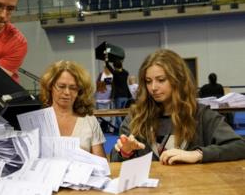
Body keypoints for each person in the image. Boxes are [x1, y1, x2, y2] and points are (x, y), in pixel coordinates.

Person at [111, 49, 245, 164]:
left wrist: (198, 154)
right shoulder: (136, 117)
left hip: (192, 190)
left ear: (178, 79)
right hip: (148, 193)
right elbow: (114, 158)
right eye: (148, 81)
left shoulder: (200, 115)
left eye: (161, 80)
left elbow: (240, 146)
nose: (153, 88)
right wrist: (125, 153)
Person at [39, 60, 106, 158]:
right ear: (50, 86)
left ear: (80, 91)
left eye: (73, 88)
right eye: (61, 86)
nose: (67, 92)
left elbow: (102, 165)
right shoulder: (38, 120)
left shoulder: (89, 120)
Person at [105, 60, 132, 129]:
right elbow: (123, 70)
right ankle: (125, 127)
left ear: (115, 67)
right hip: (126, 95)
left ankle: (122, 128)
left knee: (117, 113)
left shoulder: (115, 73)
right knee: (124, 113)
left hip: (118, 96)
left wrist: (106, 61)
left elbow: (109, 67)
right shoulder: (125, 73)